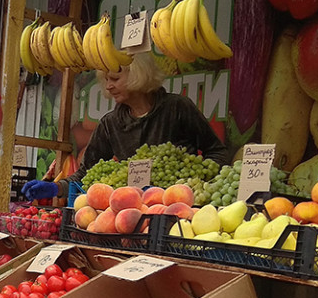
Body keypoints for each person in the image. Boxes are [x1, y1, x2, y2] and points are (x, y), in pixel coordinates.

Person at [23, 53, 228, 201]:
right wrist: (56, 188)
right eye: (106, 80)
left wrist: (199, 184)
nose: (109, 86)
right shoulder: (110, 124)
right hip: (131, 210)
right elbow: (87, 172)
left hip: (178, 209)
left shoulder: (177, 108)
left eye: (115, 79)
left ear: (138, 75)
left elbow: (216, 151)